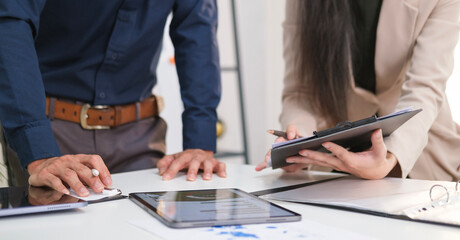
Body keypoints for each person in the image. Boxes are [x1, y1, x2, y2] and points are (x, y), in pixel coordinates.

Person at [0, 0, 226, 197]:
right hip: (51, 131)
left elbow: (198, 32)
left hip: (140, 136)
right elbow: (10, 24)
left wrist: (200, 144)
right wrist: (39, 152)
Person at [257, 0, 460, 181]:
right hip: (333, 163)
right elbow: (300, 91)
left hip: (416, 154)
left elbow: (425, 88)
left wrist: (390, 158)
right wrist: (300, 142)